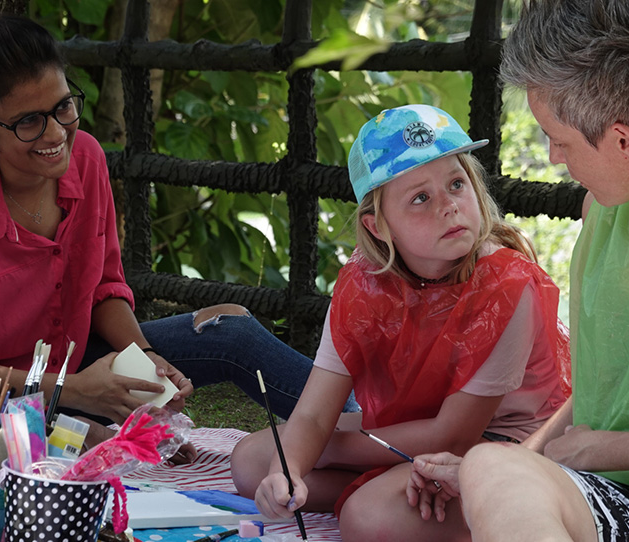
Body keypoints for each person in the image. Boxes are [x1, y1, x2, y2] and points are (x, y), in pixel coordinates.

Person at [0, 14, 357, 436]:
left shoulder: (86, 158)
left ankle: (367, 430)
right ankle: (76, 430)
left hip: (80, 370)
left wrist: (145, 356)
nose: (56, 134)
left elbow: (104, 288)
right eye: (29, 121)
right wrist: (71, 393)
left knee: (230, 329)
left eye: (63, 106)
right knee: (88, 443)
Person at [414, 1, 629, 540]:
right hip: (608, 492)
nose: (555, 157)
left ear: (623, 141)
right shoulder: (604, 207)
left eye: (559, 140)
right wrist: (513, 467)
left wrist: (607, 450)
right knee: (462, 476)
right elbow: (605, 391)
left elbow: (595, 444)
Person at [230, 104, 571, 541]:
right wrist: (289, 469)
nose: (449, 206)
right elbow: (314, 414)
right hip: (415, 430)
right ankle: (384, 489)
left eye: (456, 184)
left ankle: (402, 498)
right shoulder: (361, 282)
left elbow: (453, 435)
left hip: (502, 445)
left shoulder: (509, 286)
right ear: (378, 226)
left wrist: (327, 449)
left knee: (368, 518)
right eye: (420, 198)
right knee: (252, 463)